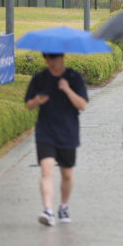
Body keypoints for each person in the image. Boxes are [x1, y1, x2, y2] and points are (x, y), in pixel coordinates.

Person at [25, 53, 88, 227]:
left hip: (68, 132)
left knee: (67, 175)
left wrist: (67, 89)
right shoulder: (40, 78)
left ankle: (63, 206)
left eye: (53, 58)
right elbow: (29, 105)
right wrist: (37, 100)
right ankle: (48, 210)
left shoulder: (73, 77)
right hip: (45, 132)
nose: (50, 62)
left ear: (62, 57)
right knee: (47, 171)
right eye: (47, 58)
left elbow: (82, 105)